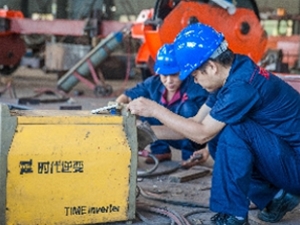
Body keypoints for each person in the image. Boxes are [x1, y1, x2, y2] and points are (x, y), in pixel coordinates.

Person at [126, 22, 300, 225]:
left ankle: (233, 215)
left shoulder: (240, 87)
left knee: (234, 128)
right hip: (288, 157)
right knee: (220, 135)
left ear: (211, 67)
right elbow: (194, 124)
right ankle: (276, 198)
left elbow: (202, 134)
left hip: (295, 163)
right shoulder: (233, 71)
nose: (196, 81)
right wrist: (143, 132)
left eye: (195, 75)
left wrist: (154, 109)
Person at [116, 43, 209, 167]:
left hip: (191, 135)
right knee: (144, 103)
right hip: (165, 134)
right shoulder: (153, 83)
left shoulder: (195, 85)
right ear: (158, 73)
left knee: (189, 108)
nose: (169, 81)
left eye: (175, 75)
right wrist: (115, 108)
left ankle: (191, 155)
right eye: (165, 75)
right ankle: (160, 151)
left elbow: (204, 124)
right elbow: (127, 95)